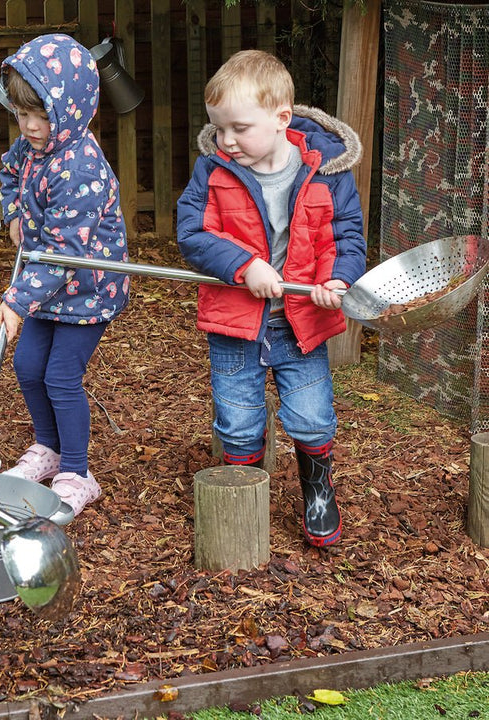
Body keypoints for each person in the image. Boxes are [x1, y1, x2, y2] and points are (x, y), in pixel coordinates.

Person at [176, 50, 366, 547]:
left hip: (302, 322)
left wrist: (338, 281)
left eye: (239, 128)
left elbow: (346, 238)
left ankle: (318, 488)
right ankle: (244, 496)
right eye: (219, 129)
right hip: (237, 322)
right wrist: (245, 266)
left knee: (312, 413)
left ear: (282, 118)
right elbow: (192, 233)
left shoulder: (327, 171)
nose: (227, 140)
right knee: (237, 418)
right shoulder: (213, 172)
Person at [0, 34, 130, 516]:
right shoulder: (31, 147)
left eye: (40, 115)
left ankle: (76, 471)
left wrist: (16, 300)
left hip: (88, 289)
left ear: (71, 109)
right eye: (20, 113)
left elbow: (65, 251)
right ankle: (48, 448)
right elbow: (9, 172)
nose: (28, 126)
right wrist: (12, 212)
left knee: (60, 376)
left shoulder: (79, 166)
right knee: (28, 367)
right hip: (46, 288)